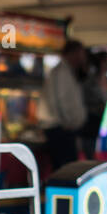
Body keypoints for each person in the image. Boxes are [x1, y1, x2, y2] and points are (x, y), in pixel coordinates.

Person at [40, 39, 88, 170]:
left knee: (65, 166)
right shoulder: (62, 72)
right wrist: (68, 123)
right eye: (81, 54)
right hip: (60, 127)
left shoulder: (67, 71)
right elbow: (60, 101)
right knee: (66, 167)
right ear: (73, 53)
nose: (83, 58)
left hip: (63, 126)